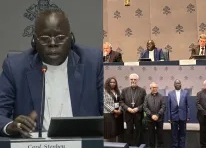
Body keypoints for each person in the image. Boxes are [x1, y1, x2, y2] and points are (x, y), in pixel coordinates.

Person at [0, 9, 103, 138]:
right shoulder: (15, 67)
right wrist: (10, 126)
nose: (53, 44)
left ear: (71, 39)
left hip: (83, 142)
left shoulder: (93, 62)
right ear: (34, 41)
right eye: (44, 38)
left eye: (60, 38)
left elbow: (108, 112)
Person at [120, 73, 146, 146]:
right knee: (129, 131)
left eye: (135, 79)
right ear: (129, 80)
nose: (133, 81)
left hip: (138, 114)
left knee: (138, 131)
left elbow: (145, 103)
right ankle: (129, 145)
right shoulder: (124, 90)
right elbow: (121, 102)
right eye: (132, 79)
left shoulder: (142, 90)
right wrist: (127, 108)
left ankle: (137, 145)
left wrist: (137, 108)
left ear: (137, 80)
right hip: (128, 114)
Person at [167, 79, 190, 148]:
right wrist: (169, 117)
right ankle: (175, 146)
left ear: (181, 84)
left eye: (179, 83)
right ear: (174, 85)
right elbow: (169, 106)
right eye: (176, 83)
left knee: (182, 134)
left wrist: (188, 116)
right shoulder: (170, 93)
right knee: (174, 134)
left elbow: (188, 106)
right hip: (174, 116)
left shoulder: (185, 92)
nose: (178, 84)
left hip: (183, 116)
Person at [144, 82, 166, 148]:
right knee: (151, 136)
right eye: (153, 87)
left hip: (159, 119)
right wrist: (151, 115)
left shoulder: (161, 96)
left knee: (160, 136)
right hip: (150, 119)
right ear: (150, 88)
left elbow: (163, 107)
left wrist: (158, 115)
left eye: (156, 87)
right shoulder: (147, 97)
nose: (154, 89)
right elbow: (145, 107)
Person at [104, 77, 124, 142]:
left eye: (114, 82)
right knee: (110, 132)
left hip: (118, 113)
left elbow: (121, 101)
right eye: (111, 82)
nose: (113, 83)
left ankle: (116, 145)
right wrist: (113, 110)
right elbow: (104, 103)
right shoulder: (104, 91)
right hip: (109, 114)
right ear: (108, 83)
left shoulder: (119, 91)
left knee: (117, 131)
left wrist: (119, 110)